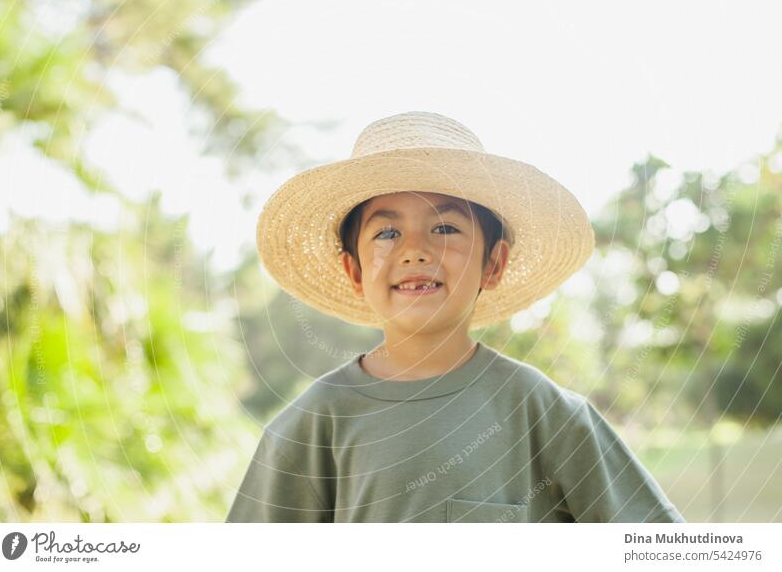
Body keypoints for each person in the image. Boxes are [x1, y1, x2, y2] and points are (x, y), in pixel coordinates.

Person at [225, 111, 684, 523]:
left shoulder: (540, 411)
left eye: (445, 228)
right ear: (354, 269)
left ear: (494, 263)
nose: (415, 251)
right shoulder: (312, 426)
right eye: (386, 232)